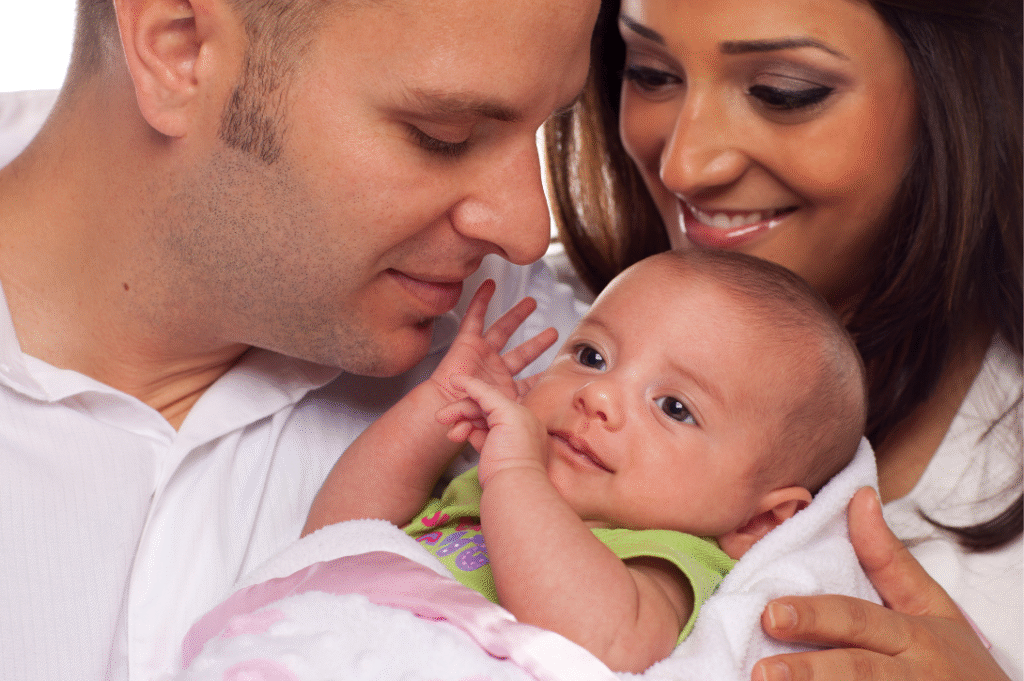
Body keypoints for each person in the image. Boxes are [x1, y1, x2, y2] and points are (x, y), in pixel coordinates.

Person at [0, 0, 602, 679]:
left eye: (548, 126)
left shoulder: (535, 348)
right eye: (445, 134)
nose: (527, 227)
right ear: (177, 47)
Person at [544, 0, 1023, 679]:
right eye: (651, 74)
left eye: (782, 93)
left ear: (961, 94)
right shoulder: (526, 322)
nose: (685, 165)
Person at [303, 249, 869, 673]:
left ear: (760, 521)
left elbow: (608, 643)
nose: (597, 396)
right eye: (592, 356)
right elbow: (337, 534)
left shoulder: (667, 559)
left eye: (674, 407)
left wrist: (516, 476)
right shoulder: (476, 484)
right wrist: (442, 400)